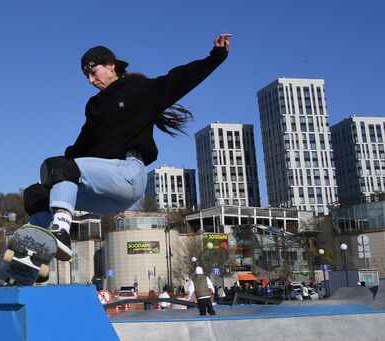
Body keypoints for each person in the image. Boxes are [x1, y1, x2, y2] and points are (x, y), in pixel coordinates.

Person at [22, 34, 232, 261]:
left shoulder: (140, 89)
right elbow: (83, 144)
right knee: (38, 194)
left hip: (129, 174)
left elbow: (180, 79)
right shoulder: (94, 106)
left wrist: (216, 56)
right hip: (106, 191)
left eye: (93, 73)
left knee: (59, 167)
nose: (90, 81)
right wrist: (56, 176)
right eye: (86, 76)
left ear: (111, 67)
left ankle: (61, 231)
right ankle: (35, 256)